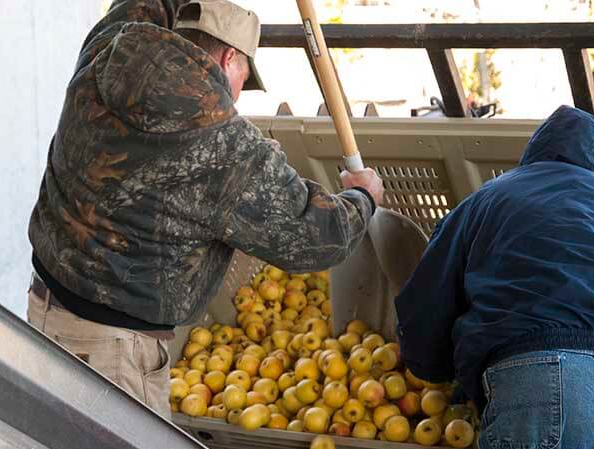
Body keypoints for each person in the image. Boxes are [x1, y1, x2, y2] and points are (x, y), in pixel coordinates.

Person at [26, 0, 383, 418]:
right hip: (114, 352)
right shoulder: (221, 140)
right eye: (241, 80)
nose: (234, 99)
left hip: (46, 307)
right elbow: (316, 236)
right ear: (230, 57)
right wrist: (364, 197)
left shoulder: (110, 45)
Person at [396, 106, 594, 449]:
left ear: (534, 152)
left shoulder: (491, 197)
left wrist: (434, 369)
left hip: (548, 375)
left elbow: (427, 302)